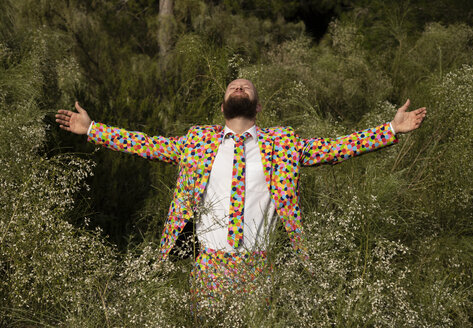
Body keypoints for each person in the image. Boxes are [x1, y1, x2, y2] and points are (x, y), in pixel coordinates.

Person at [56, 78, 426, 305]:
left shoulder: (283, 143)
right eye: (233, 85)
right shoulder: (197, 141)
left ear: (257, 105)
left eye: (246, 86)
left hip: (259, 263)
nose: (239, 87)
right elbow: (147, 144)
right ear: (223, 105)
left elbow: (334, 147)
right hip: (208, 265)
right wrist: (93, 130)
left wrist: (390, 130)